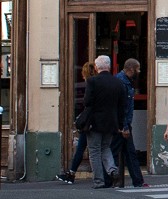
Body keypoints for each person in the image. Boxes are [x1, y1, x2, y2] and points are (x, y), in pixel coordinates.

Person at [85, 56, 125, 189]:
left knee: (94, 151)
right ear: (109, 66)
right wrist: (120, 124)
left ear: (97, 67)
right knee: (106, 147)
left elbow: (87, 102)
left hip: (95, 122)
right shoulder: (118, 82)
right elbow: (121, 106)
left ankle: (99, 180)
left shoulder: (92, 81)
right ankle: (112, 170)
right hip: (111, 122)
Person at [110, 58, 149, 188]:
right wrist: (124, 126)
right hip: (122, 125)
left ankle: (137, 181)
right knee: (117, 152)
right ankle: (111, 179)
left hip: (123, 124)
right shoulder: (122, 82)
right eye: (137, 68)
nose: (139, 71)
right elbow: (122, 107)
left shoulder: (123, 81)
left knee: (128, 153)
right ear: (131, 69)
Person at [57, 61, 94, 184]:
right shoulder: (95, 84)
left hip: (88, 123)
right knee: (100, 149)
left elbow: (86, 103)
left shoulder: (88, 84)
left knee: (86, 148)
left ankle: (72, 173)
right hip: (95, 122)